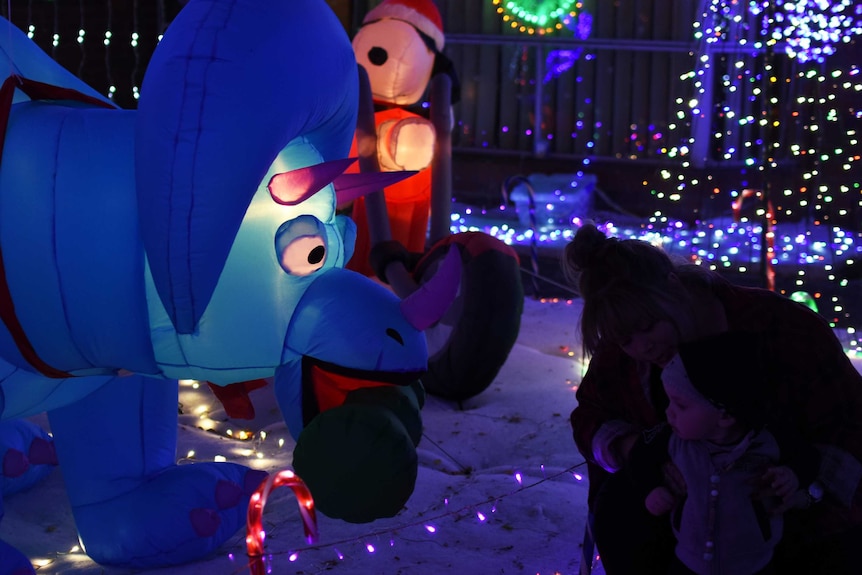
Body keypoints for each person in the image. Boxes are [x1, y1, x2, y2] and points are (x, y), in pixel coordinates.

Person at [562, 221, 862, 575]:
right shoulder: (623, 345)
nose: (642, 346)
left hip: (788, 515)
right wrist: (640, 455)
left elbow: (849, 422)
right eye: (627, 339)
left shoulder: (782, 328)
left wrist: (803, 487)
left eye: (648, 326)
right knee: (619, 507)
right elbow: (589, 416)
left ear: (672, 287)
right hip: (680, 526)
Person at [630, 330, 806, 575]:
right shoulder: (671, 439)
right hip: (688, 561)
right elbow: (638, 459)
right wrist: (651, 488)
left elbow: (807, 457)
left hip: (755, 565)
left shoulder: (770, 441)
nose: (668, 412)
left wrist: (793, 475)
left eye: (680, 405)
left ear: (724, 415)